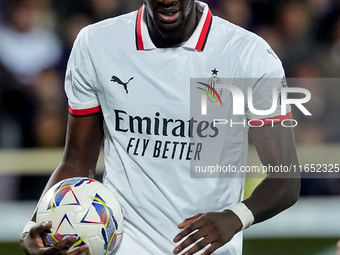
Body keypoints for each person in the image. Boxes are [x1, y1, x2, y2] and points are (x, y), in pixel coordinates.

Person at [20, 0, 300, 254]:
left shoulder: (248, 55)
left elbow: (285, 180)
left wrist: (235, 217)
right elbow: (77, 163)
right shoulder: (96, 44)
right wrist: (33, 227)